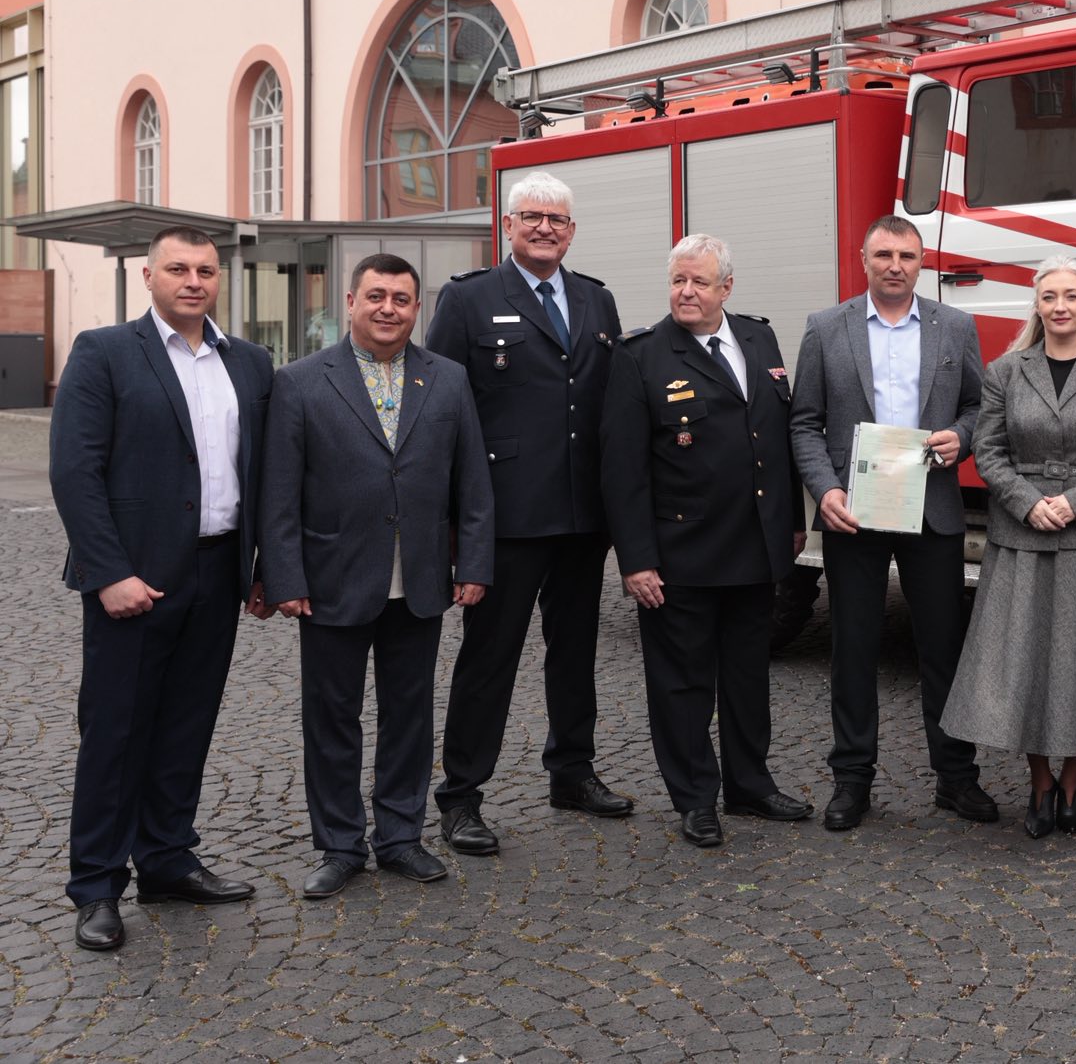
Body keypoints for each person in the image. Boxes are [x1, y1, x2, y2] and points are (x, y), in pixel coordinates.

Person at [50, 226, 274, 951]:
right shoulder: (105, 352)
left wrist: (262, 566)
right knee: (115, 732)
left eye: (206, 270)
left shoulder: (250, 362)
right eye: (177, 268)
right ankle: (96, 886)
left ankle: (169, 860)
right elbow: (76, 472)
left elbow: (262, 476)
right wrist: (108, 573)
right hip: (134, 578)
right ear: (147, 274)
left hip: (216, 570)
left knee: (186, 726)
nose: (193, 280)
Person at [260, 254, 493, 899]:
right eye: (376, 297)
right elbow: (278, 493)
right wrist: (283, 576)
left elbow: (473, 483)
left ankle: (399, 837)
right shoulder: (301, 381)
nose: (389, 308)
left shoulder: (447, 379)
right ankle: (339, 845)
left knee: (410, 716)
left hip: (419, 583)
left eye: (401, 298)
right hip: (332, 579)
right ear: (351, 301)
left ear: (418, 309)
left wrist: (472, 563)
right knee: (332, 718)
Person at [428, 170, 632, 857]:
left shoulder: (597, 302)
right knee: (490, 659)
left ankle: (571, 771)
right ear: (508, 225)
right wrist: (456, 522)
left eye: (558, 220)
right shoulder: (470, 300)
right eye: (532, 217)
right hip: (505, 517)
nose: (545, 228)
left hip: (582, 516)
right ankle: (461, 796)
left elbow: (608, 408)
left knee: (575, 654)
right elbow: (442, 413)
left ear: (571, 232)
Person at [600, 234, 812, 848]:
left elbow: (774, 436)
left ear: (727, 289)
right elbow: (622, 469)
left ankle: (750, 784)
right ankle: (695, 796)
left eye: (699, 283)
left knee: (747, 676)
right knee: (683, 682)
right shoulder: (641, 355)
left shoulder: (758, 337)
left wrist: (792, 522)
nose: (685, 293)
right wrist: (636, 559)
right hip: (680, 554)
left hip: (755, 548)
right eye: (677, 282)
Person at [790, 214, 997, 831]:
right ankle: (852, 782)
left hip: (931, 509)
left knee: (943, 648)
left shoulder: (954, 326)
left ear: (921, 260)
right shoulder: (826, 328)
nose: (895, 266)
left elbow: (978, 406)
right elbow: (803, 422)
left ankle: (956, 779)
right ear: (863, 258)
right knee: (852, 650)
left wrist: (960, 438)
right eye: (883, 254)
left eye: (906, 255)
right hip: (855, 510)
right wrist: (824, 490)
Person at [940, 259, 1076, 838]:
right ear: (1037, 305)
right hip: (1023, 534)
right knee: (1028, 663)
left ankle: (1073, 783)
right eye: (1050, 296)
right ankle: (1039, 784)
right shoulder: (1005, 372)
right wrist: (1029, 502)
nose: (1060, 306)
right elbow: (989, 451)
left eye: (1071, 296)